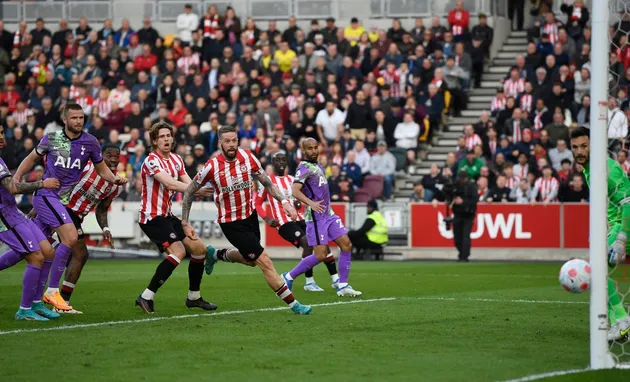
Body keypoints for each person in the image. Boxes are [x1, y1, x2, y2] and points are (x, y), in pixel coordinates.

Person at [180, 125, 312, 315]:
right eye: (227, 141)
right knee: (264, 260)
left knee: (250, 261)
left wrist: (284, 201)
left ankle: (214, 254)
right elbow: (189, 191)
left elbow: (267, 182)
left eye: (234, 140)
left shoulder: (248, 157)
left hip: (250, 217)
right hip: (231, 223)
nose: (232, 145)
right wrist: (185, 221)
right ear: (220, 143)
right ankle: (294, 305)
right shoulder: (212, 166)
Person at [9, 103, 127, 313]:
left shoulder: (90, 142)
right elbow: (32, 158)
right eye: (74, 118)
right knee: (71, 238)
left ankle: (35, 304)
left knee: (37, 250)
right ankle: (52, 291)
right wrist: (17, 176)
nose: (79, 121)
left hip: (60, 201)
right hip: (46, 195)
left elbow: (102, 169)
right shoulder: (52, 138)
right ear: (65, 119)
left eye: (81, 117)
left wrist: (114, 179)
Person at [135, 121, 216, 314]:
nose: (166, 139)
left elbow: (190, 183)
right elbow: (171, 184)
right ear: (154, 141)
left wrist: (202, 186)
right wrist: (196, 189)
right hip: (151, 216)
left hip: (168, 215)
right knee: (179, 251)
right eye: (161, 136)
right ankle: (146, 296)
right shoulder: (151, 161)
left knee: (199, 249)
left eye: (168, 136)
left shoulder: (177, 159)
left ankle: (193, 297)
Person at [569, 126, 630, 341]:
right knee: (597, 272)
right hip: (616, 225)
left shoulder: (606, 169)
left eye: (584, 146)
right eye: (575, 147)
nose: (579, 151)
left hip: (626, 225)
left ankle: (622, 320)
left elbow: (628, 203)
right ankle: (619, 324)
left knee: (594, 271)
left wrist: (621, 238)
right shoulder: (589, 169)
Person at [284, 137, 362, 297]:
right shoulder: (304, 167)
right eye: (310, 148)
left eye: (315, 147)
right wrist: (310, 203)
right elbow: (295, 190)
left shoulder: (317, 165)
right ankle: (288, 276)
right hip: (316, 216)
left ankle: (343, 285)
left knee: (346, 244)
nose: (313, 151)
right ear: (303, 151)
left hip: (328, 214)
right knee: (320, 254)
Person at [254, 152, 339, 292]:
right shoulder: (267, 182)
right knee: (307, 242)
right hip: (284, 223)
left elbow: (300, 198)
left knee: (321, 243)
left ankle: (335, 279)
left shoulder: (293, 179)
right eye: (277, 160)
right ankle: (309, 282)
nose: (281, 163)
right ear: (272, 163)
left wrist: (300, 204)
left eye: (283, 160)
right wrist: (267, 218)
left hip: (301, 219)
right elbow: (257, 203)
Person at [0, 125, 60, 320]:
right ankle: (25, 310)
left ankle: (36, 304)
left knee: (48, 251)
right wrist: (43, 183)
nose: (2, 136)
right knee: (35, 257)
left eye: (2, 132)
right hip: (4, 215)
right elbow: (12, 188)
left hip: (13, 211)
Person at [451, 169, 478, 262]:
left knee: (465, 236)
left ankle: (464, 256)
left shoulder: (472, 186)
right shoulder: (456, 185)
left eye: (461, 179)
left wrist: (463, 202)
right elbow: (449, 193)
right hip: (457, 214)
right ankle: (461, 253)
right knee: (457, 237)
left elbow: (474, 200)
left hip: (468, 214)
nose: (460, 180)